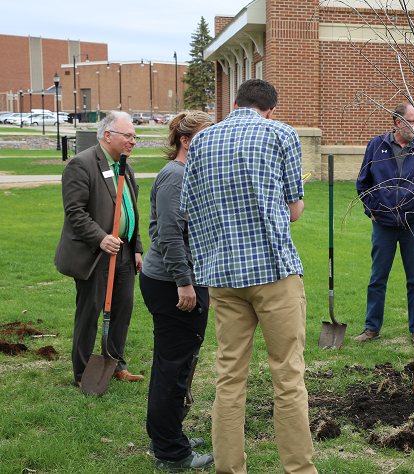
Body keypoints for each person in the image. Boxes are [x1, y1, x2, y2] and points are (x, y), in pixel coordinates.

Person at [180, 79, 318, 474]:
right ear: (270, 110)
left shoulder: (202, 141)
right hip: (273, 272)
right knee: (287, 376)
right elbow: (294, 210)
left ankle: (229, 469)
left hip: (222, 275)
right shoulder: (281, 134)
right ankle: (299, 470)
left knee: (229, 378)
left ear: (235, 103)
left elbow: (189, 207)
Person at [140, 111, 216, 472]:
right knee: (174, 368)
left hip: (182, 279)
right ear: (185, 141)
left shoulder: (191, 173)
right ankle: (171, 452)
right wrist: (184, 283)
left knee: (174, 364)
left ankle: (166, 435)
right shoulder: (175, 176)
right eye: (204, 136)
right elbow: (168, 235)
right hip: (171, 283)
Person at [54, 111, 145, 387]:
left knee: (122, 308)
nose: (133, 141)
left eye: (134, 136)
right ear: (107, 135)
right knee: (90, 311)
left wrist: (137, 247)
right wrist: (101, 238)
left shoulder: (125, 166)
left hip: (124, 251)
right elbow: (75, 212)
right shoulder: (81, 164)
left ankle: (115, 364)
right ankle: (82, 373)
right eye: (128, 136)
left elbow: (130, 210)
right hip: (95, 253)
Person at [354, 102, 414, 346]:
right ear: (398, 122)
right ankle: (372, 328)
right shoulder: (376, 145)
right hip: (383, 225)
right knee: (378, 277)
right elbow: (363, 183)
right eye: (413, 121)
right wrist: (372, 210)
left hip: (412, 226)